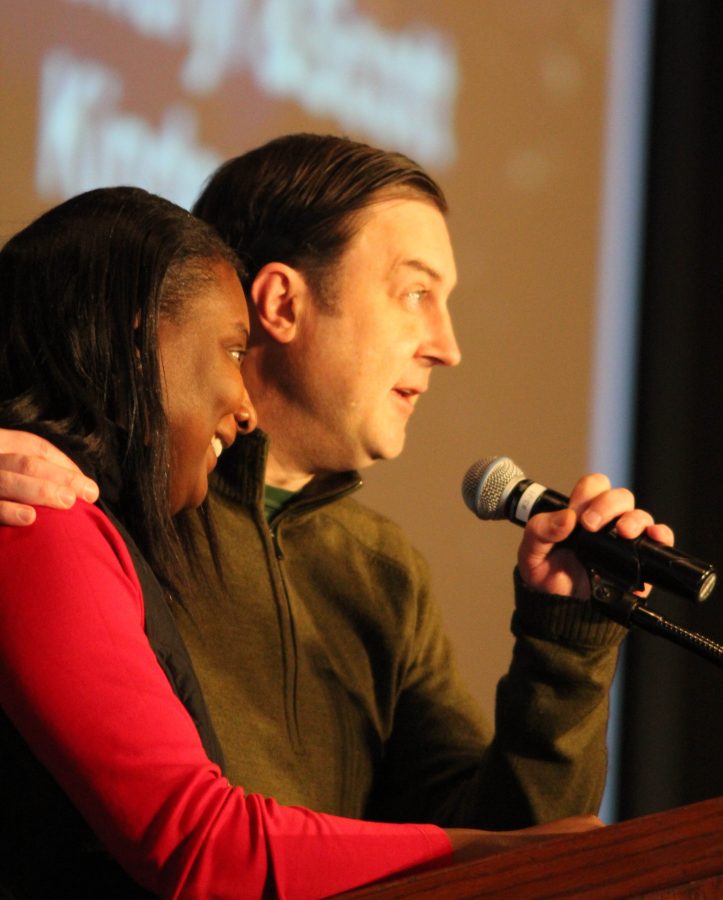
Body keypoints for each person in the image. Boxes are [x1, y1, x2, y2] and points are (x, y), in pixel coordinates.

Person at [0, 135, 673, 835]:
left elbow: (518, 853)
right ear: (282, 304)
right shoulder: (73, 486)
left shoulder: (380, 573)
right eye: (414, 293)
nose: (446, 345)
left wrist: (565, 642)